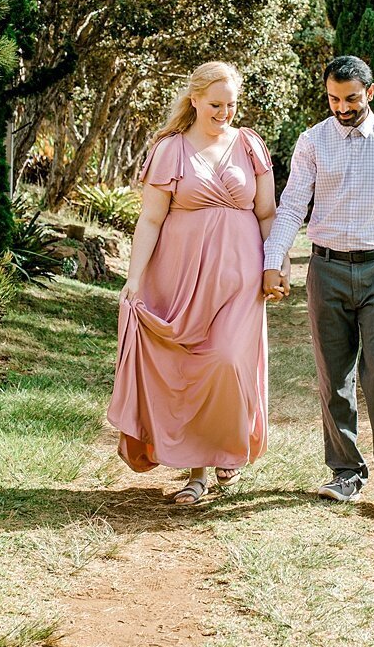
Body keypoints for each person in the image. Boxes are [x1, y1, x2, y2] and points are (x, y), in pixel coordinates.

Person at [261, 55, 374, 515]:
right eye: (334, 99)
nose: (342, 107)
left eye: (351, 98)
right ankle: (345, 473)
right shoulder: (312, 141)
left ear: (370, 93)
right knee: (333, 375)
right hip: (327, 270)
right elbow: (293, 204)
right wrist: (273, 260)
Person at [107, 61, 277, 505]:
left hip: (241, 278)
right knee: (192, 368)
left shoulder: (250, 145)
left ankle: (229, 447)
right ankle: (198, 472)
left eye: (232, 104)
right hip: (182, 278)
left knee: (226, 360)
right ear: (195, 99)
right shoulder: (171, 150)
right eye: (216, 104)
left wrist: (276, 265)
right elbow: (150, 218)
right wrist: (134, 278)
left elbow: (267, 214)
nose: (225, 112)